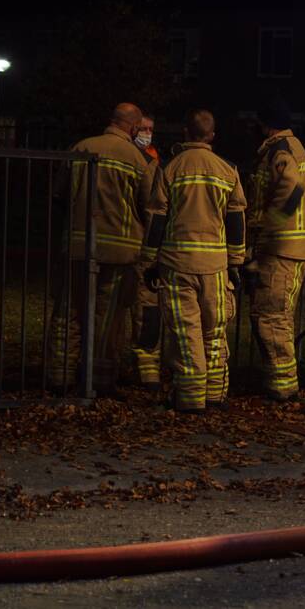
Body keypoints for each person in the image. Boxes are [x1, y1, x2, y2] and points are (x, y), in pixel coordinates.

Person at [141, 109, 246, 414]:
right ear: (212, 136)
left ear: (186, 133)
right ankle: (215, 396)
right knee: (214, 332)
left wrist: (150, 261)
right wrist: (235, 262)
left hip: (177, 266)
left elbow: (157, 218)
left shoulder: (171, 168)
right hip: (216, 267)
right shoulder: (228, 170)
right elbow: (237, 218)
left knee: (187, 334)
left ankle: (189, 400)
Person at [48, 103, 149, 392]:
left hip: (78, 246)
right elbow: (149, 207)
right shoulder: (137, 159)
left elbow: (59, 195)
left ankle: (59, 376)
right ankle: (99, 381)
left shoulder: (81, 147)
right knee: (108, 319)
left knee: (68, 313)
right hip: (121, 253)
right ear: (133, 128)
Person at [245, 95, 305, 401]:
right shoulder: (292, 147)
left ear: (266, 125)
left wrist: (270, 226)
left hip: (282, 249)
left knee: (271, 317)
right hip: (290, 247)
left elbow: (292, 188)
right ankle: (279, 386)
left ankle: (283, 390)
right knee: (274, 315)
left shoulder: (280, 151)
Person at [130, 116, 163, 385]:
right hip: (138, 243)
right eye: (143, 129)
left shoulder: (153, 160)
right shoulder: (140, 161)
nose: (148, 134)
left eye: (151, 129)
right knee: (144, 306)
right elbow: (153, 210)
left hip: (136, 243)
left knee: (146, 309)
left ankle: (146, 370)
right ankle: (146, 369)